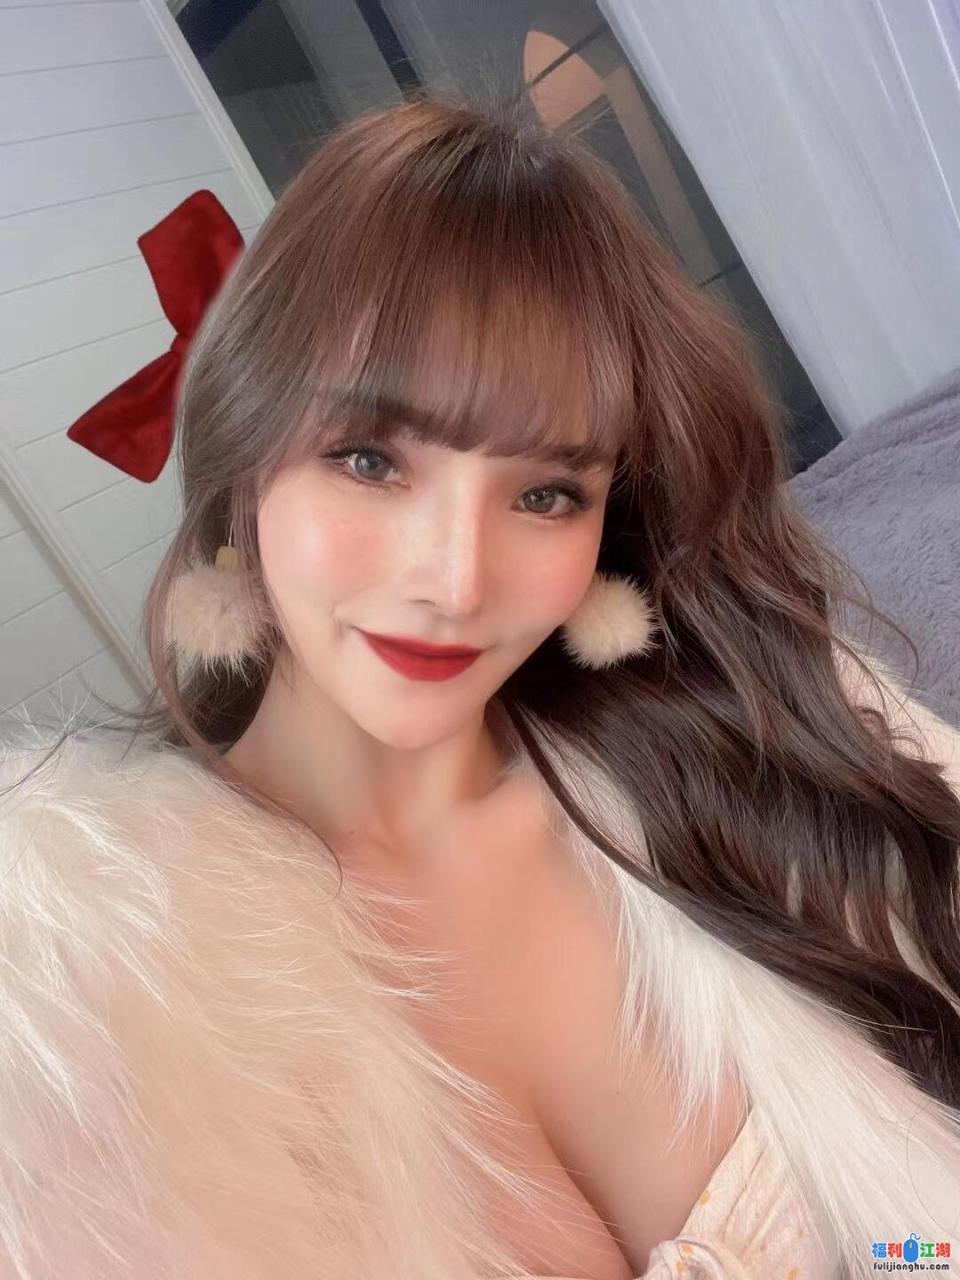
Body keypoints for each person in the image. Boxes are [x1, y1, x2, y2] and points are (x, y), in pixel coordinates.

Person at [2, 90, 959, 1280]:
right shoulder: (71, 1018)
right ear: (243, 467)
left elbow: (914, 1239)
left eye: (546, 493)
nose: (457, 579)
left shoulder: (743, 745)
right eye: (370, 458)